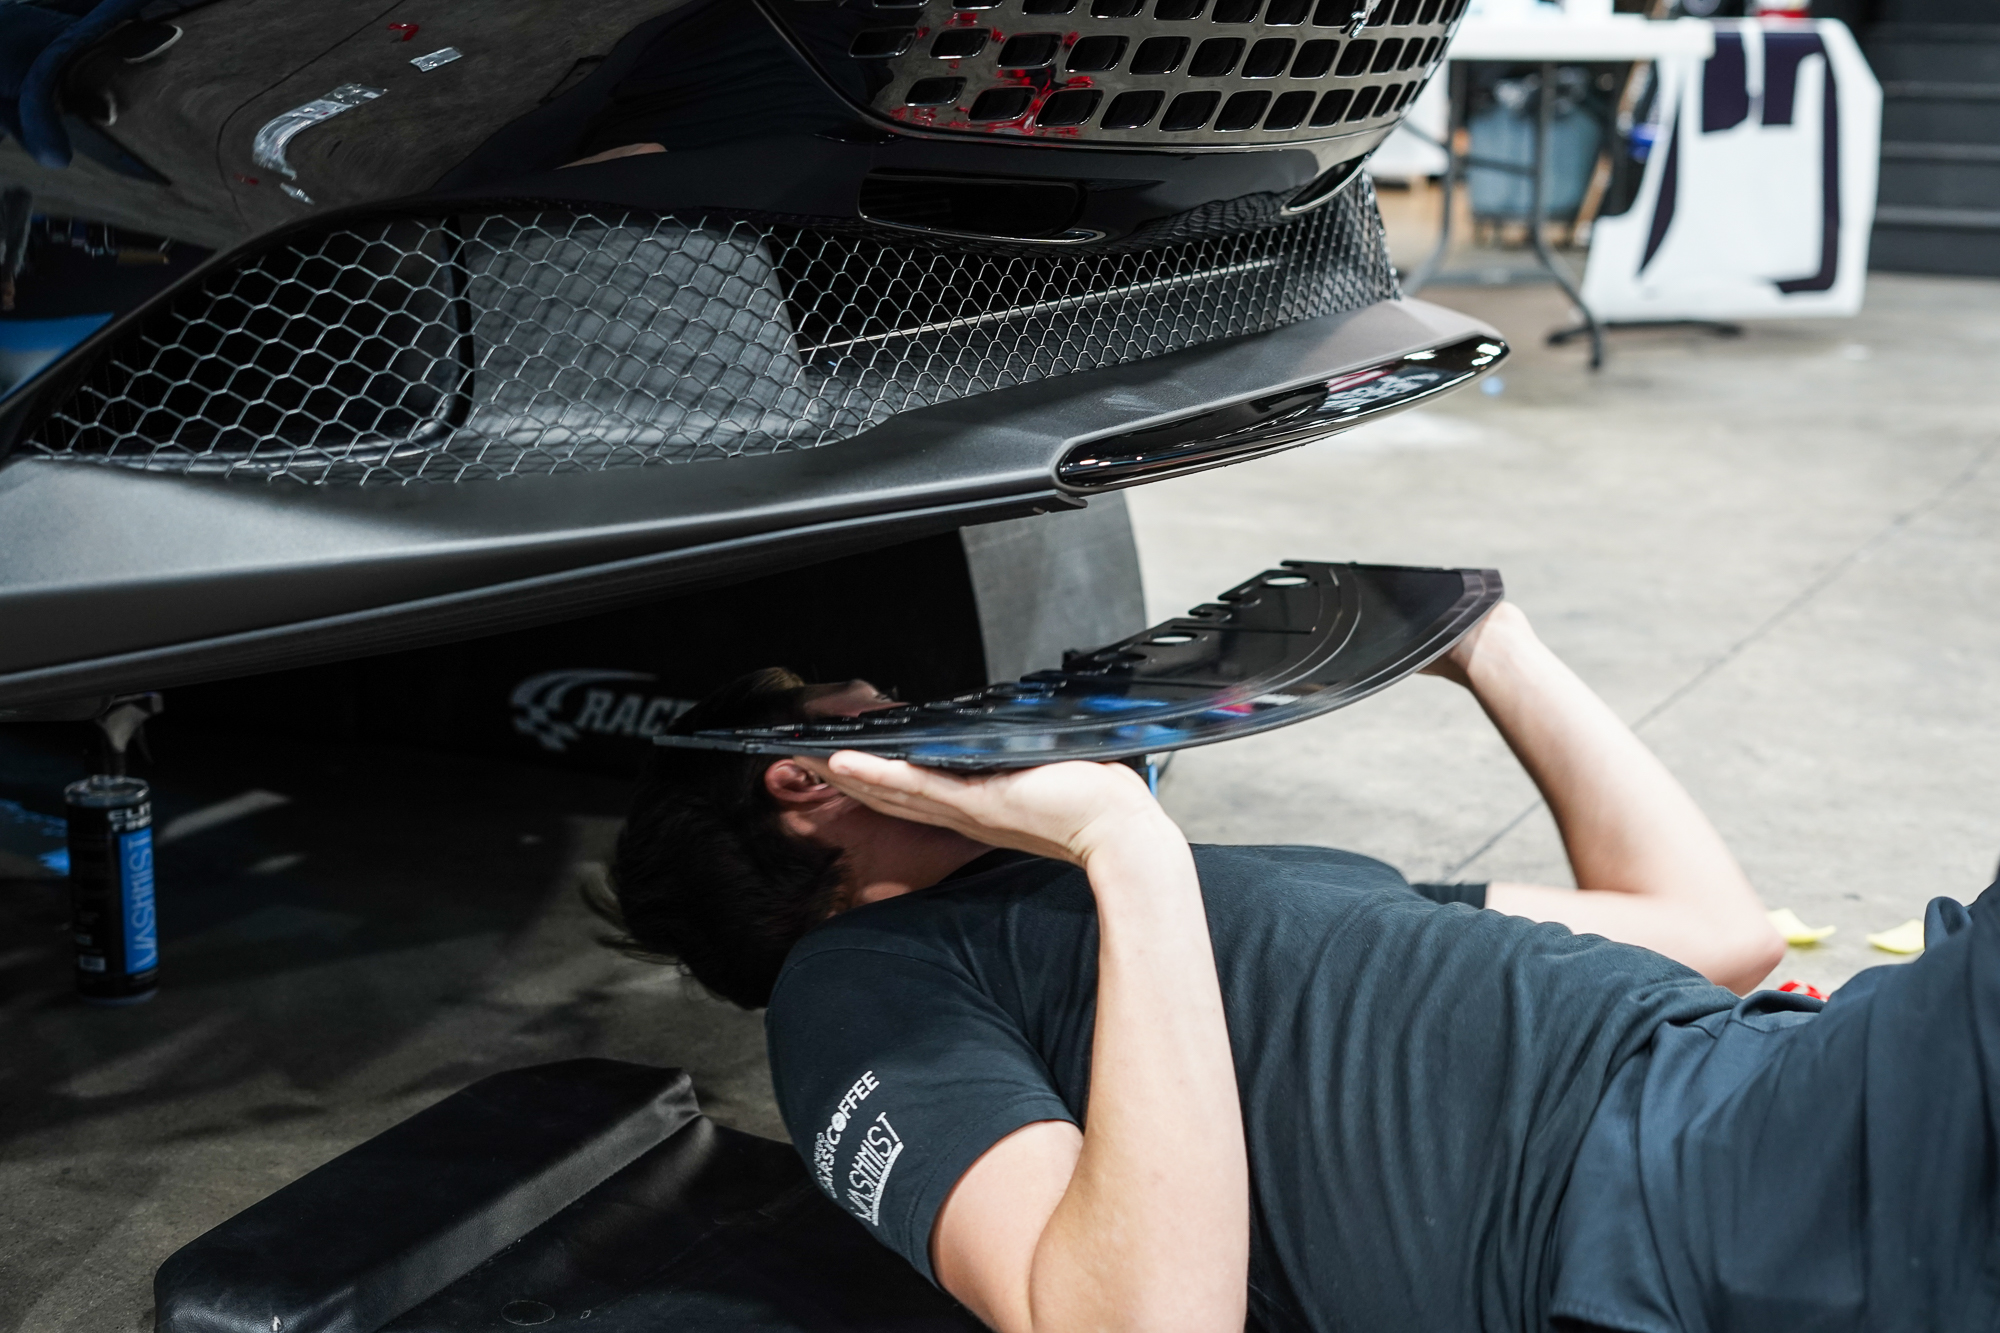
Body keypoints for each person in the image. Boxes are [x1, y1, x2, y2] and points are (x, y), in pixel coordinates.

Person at [603, 603, 2000, 1333]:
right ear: (810, 778)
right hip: (1673, 1214)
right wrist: (1121, 842)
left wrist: (1484, 645)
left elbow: (1712, 926)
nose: (932, 706)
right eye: (876, 709)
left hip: (1774, 1088)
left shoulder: (1202, 892)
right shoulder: (862, 980)